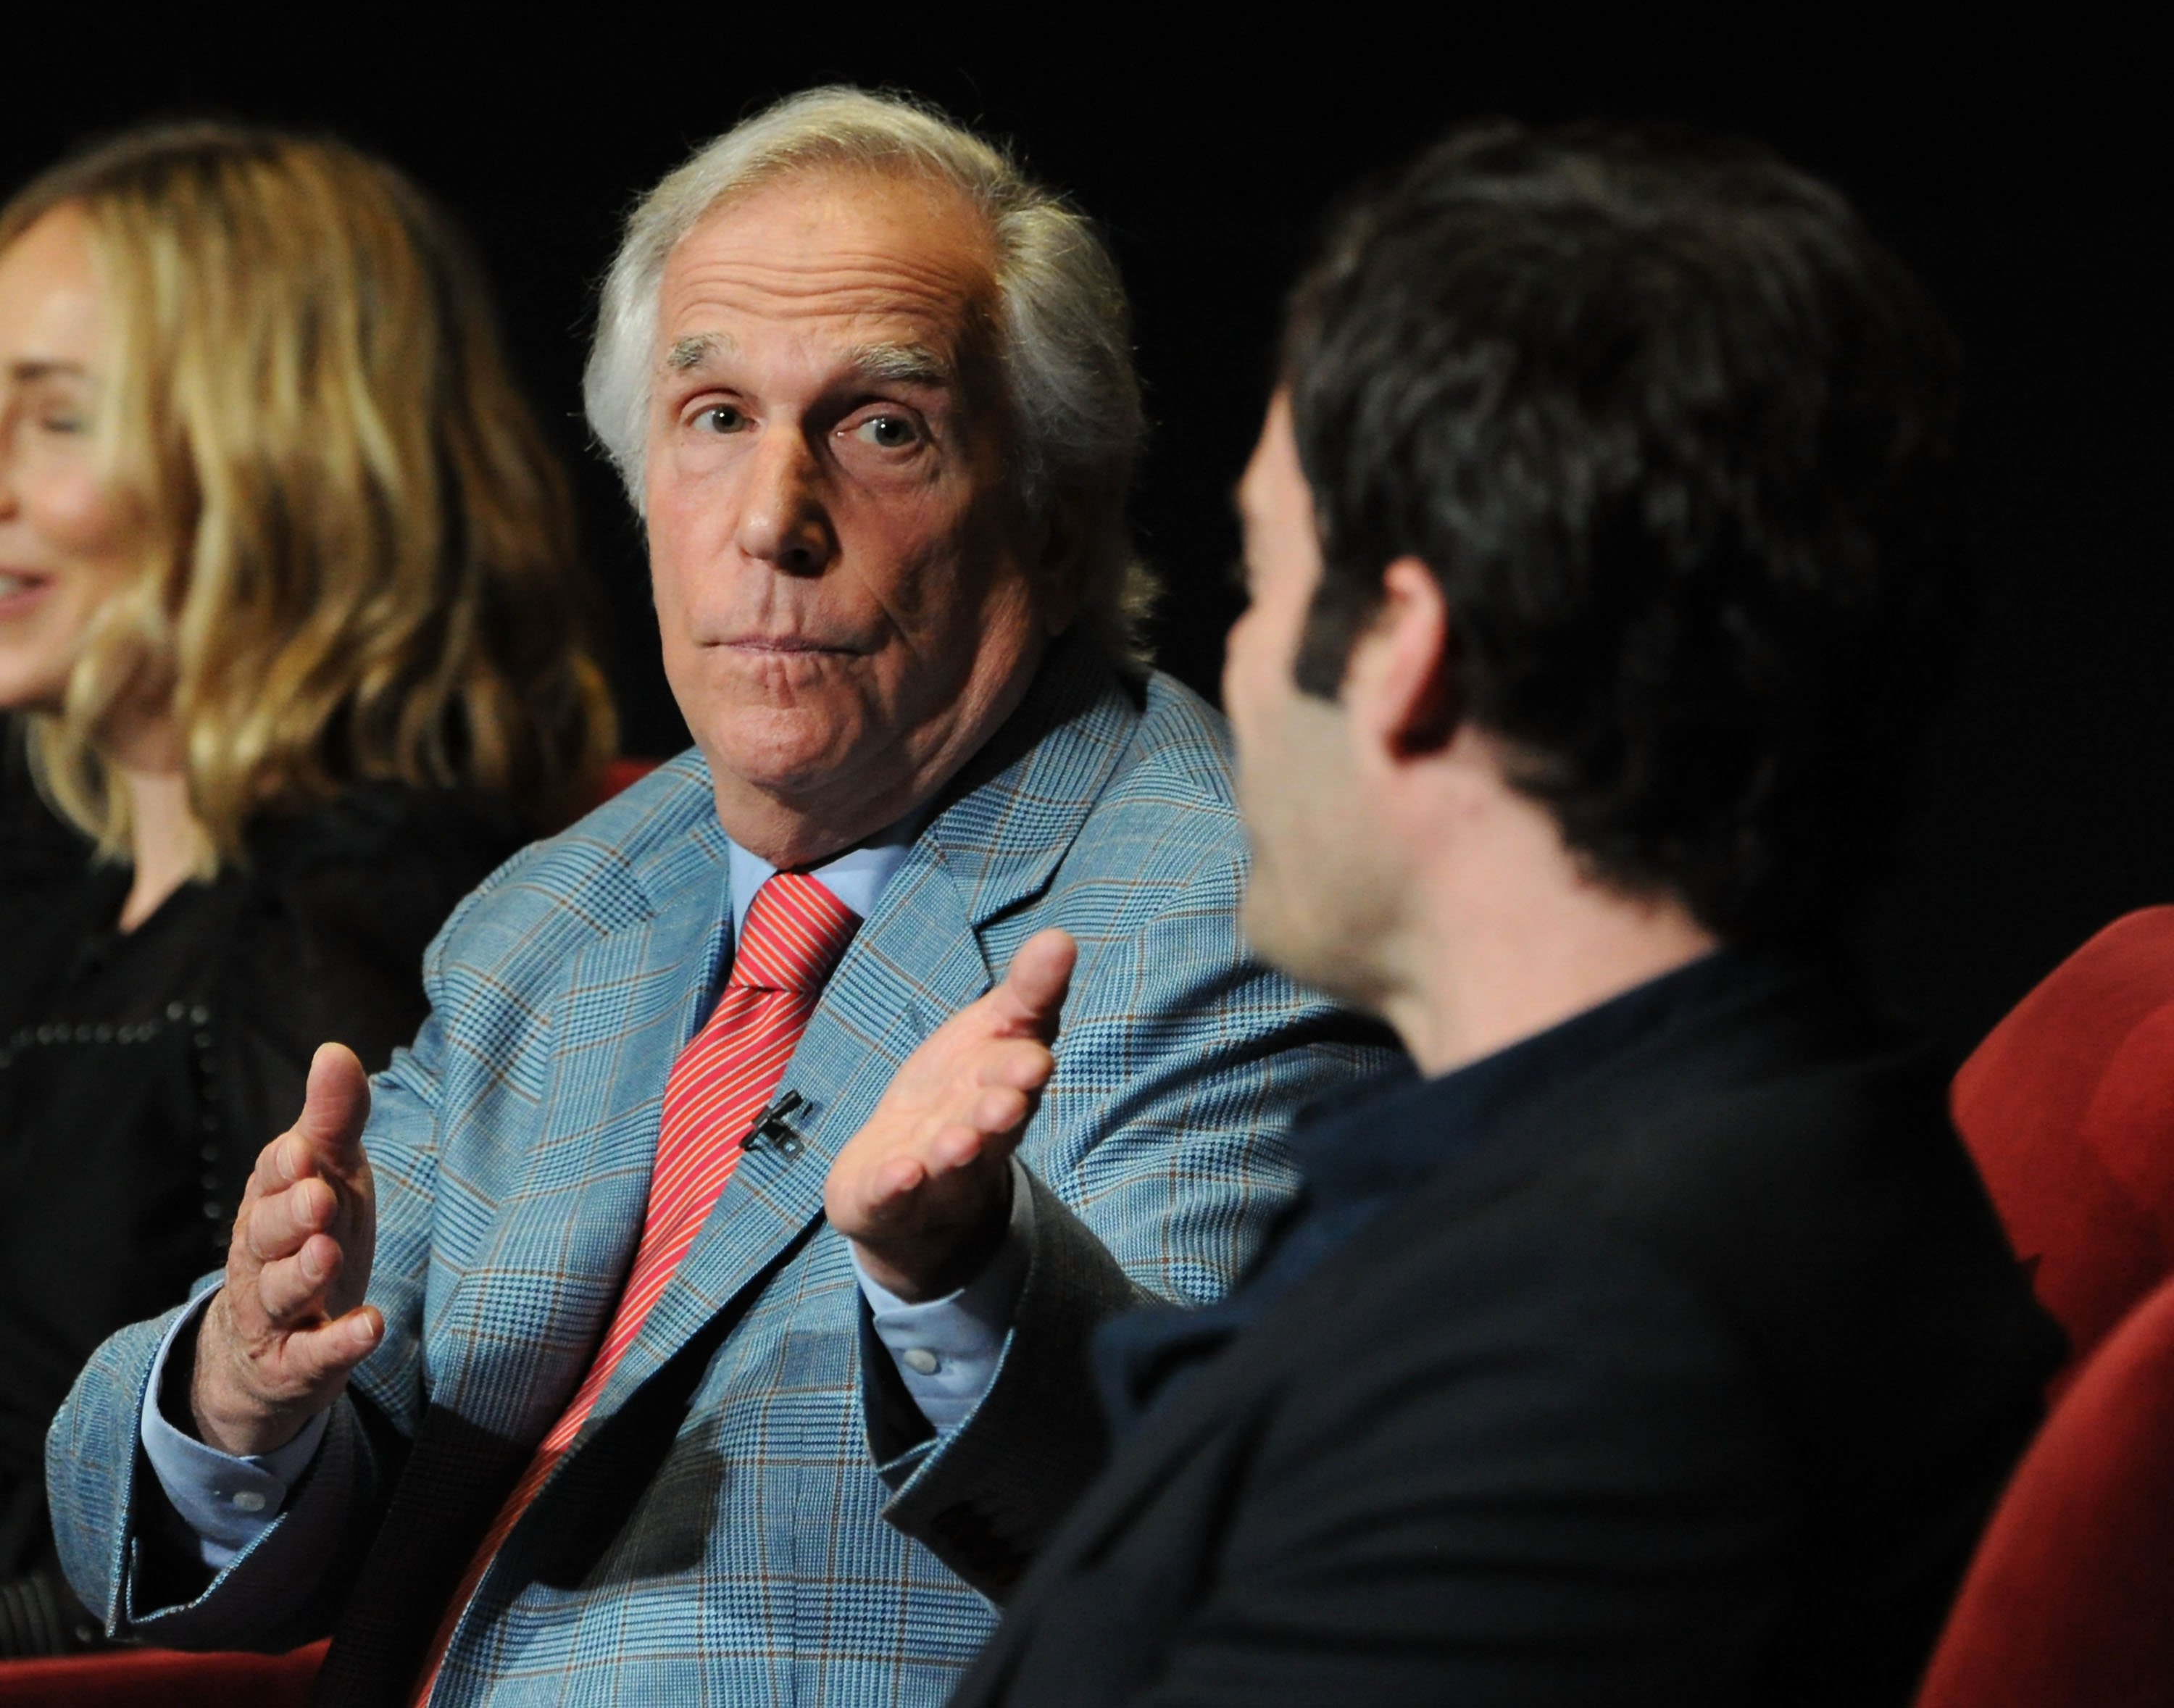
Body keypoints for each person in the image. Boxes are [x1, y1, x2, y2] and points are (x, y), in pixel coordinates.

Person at [46, 90, 1380, 1701]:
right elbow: (221, 1536)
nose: (770, 521)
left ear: (1054, 505)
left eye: (884, 427)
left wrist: (968, 1276)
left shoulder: (1235, 911)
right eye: (716, 419)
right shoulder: (565, 909)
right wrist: (241, 1392)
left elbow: (1187, 1529)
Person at [859, 122, 2066, 1706]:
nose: (1233, 667)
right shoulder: (1637, 1149)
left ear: (1404, 656)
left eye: (1268, 577)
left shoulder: (1594, 1357)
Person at [0, 124, 615, 1657]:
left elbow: (244, 1542)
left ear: (278, 459)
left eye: (55, 419)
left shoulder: (378, 908)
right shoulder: (73, 913)